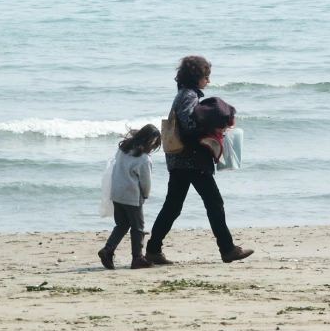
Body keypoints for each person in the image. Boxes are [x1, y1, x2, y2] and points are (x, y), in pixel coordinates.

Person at [145, 56, 254, 264]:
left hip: (181, 161)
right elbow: (187, 125)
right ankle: (227, 249)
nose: (208, 81)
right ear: (197, 77)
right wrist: (214, 129)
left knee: (173, 207)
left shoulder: (184, 94)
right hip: (191, 160)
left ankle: (153, 249)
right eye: (206, 76)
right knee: (214, 203)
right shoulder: (188, 95)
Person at [98, 124, 161, 270]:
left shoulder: (123, 149)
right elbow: (146, 182)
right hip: (132, 195)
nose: (153, 146)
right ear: (149, 141)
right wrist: (145, 195)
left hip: (116, 192)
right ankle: (137, 258)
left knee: (122, 224)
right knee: (138, 228)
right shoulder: (144, 159)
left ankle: (108, 249)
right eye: (154, 143)